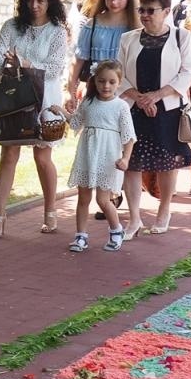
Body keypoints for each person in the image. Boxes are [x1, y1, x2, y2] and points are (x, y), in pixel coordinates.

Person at [0, 0, 70, 237]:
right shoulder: (12, 26)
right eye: (30, 0)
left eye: (40, 0)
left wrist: (23, 61)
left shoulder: (57, 31)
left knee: (42, 157)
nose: (34, 5)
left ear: (50, 2)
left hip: (46, 99)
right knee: (9, 154)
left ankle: (50, 212)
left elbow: (54, 68)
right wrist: (14, 66)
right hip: (14, 98)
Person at [115, 0, 191, 235]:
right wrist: (140, 98)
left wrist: (157, 96)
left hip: (168, 109)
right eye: (142, 10)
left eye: (151, 10)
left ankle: (164, 209)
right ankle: (134, 218)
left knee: (167, 161)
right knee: (131, 163)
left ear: (166, 11)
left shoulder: (181, 37)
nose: (145, 15)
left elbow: (188, 71)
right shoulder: (127, 38)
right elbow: (118, 73)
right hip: (133, 108)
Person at [66, 61, 136, 253]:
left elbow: (129, 136)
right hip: (87, 155)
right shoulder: (87, 102)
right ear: (94, 81)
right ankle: (81, 236)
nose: (106, 86)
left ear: (119, 83)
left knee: (103, 200)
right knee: (83, 198)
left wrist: (126, 159)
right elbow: (75, 122)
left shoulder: (121, 106)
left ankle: (116, 230)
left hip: (108, 156)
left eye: (112, 82)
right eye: (102, 81)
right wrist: (62, 112)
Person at [68, 0, 137, 108]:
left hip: (126, 92)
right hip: (98, 88)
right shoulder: (93, 24)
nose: (114, 2)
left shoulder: (135, 26)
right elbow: (78, 60)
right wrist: (70, 90)